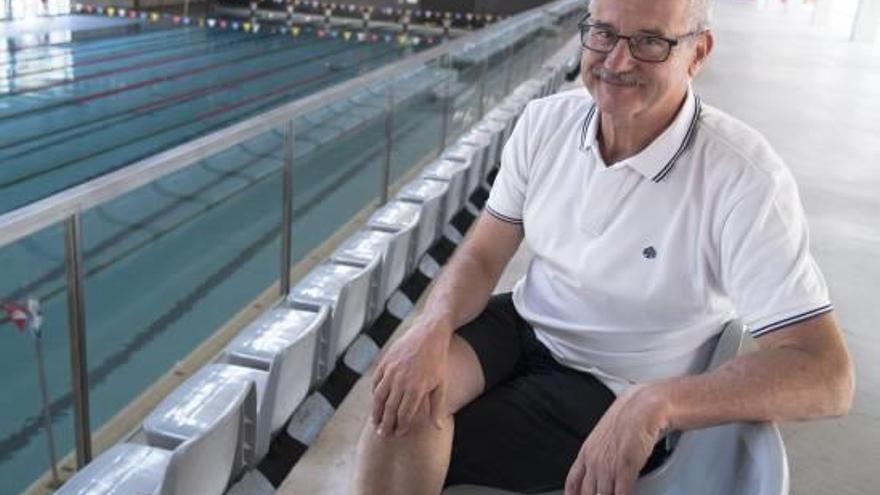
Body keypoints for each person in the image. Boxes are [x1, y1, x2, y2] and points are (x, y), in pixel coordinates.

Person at [354, 0, 855, 493]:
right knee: (398, 407)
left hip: (617, 379)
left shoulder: (743, 180)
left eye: (650, 42)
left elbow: (827, 376)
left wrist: (656, 403)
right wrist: (433, 325)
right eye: (604, 33)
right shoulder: (544, 123)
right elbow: (483, 254)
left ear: (698, 53)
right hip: (527, 323)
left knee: (433, 448)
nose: (618, 60)